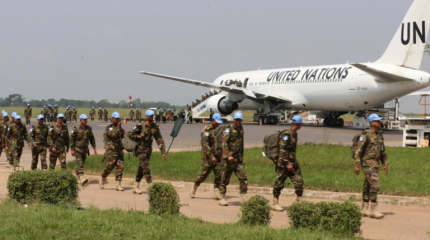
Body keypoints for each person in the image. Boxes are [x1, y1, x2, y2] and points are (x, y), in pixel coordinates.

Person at [354, 113, 388, 219]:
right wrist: (357, 165)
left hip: (375, 165)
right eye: (377, 121)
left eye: (379, 121)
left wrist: (385, 164)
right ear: (372, 123)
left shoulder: (379, 135)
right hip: (367, 164)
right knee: (375, 185)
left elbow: (382, 151)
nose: (380, 122)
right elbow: (358, 151)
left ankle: (364, 208)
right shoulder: (366, 135)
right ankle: (373, 209)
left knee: (367, 186)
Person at [128, 109, 167, 194]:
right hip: (141, 149)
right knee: (145, 166)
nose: (151, 117)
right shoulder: (140, 125)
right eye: (149, 116)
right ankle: (151, 184)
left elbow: (159, 139)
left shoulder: (155, 127)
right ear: (146, 116)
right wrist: (139, 136)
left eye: (152, 116)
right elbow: (130, 133)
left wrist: (163, 152)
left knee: (141, 167)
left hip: (149, 149)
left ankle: (136, 185)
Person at [271, 116, 305, 212]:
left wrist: (292, 163)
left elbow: (291, 150)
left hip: (293, 163)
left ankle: (299, 203)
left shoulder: (295, 134)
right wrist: (287, 163)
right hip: (284, 164)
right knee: (279, 183)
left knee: (299, 182)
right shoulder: (286, 134)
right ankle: (275, 203)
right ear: (299, 124)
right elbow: (282, 149)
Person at [190, 113, 224, 200]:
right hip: (208, 158)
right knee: (203, 175)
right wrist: (212, 156)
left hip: (219, 157)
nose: (218, 124)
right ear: (212, 121)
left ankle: (216, 192)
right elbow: (206, 146)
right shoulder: (207, 131)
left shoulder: (220, 130)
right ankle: (194, 186)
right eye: (217, 122)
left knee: (219, 175)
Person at [219, 112, 247, 206]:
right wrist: (227, 156)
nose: (238, 121)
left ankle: (243, 198)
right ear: (233, 120)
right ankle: (222, 197)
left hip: (238, 160)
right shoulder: (228, 129)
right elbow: (224, 143)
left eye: (240, 120)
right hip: (229, 160)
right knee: (225, 178)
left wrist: (242, 158)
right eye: (236, 120)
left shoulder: (241, 129)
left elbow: (241, 144)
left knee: (243, 178)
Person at [99, 112, 125, 191]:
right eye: (116, 118)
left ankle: (118, 184)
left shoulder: (119, 128)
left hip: (119, 150)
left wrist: (120, 129)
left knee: (120, 167)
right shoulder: (109, 128)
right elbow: (114, 135)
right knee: (109, 167)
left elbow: (122, 136)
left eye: (118, 118)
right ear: (112, 119)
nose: (117, 120)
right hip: (111, 151)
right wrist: (118, 127)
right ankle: (102, 177)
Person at [70, 114, 97, 185]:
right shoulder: (76, 128)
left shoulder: (88, 129)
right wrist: (72, 149)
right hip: (77, 149)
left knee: (80, 164)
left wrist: (94, 148)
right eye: (84, 119)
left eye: (86, 119)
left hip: (85, 150)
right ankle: (82, 177)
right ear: (80, 120)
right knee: (80, 163)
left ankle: (77, 177)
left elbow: (92, 139)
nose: (85, 121)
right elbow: (72, 140)